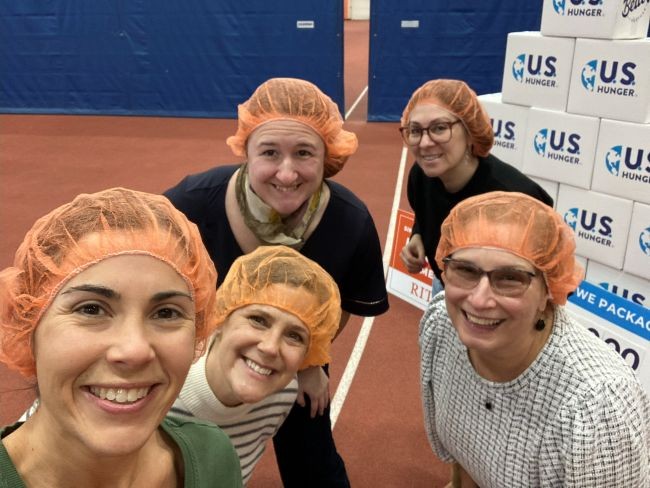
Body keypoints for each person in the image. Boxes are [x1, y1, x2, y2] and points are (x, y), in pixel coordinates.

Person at [165, 77, 389, 487]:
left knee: (313, 459)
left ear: (328, 158)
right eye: (270, 153)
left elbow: (339, 310)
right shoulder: (193, 203)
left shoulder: (349, 221)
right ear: (245, 152)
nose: (286, 174)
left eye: (304, 153)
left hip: (291, 359)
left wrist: (310, 361)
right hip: (197, 362)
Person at [0, 188, 243, 487]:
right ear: (25, 325)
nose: (135, 350)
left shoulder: (212, 457)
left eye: (166, 313)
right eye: (91, 309)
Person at [419, 191, 650, 487]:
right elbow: (463, 457)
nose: (478, 300)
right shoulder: (441, 326)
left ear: (547, 292)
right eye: (465, 270)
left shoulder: (595, 409)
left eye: (510, 278)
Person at [170, 245, 341, 485]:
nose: (270, 347)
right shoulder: (163, 388)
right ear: (220, 318)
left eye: (295, 336)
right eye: (258, 320)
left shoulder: (281, 396)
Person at [398, 79, 553, 284]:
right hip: (448, 283)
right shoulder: (421, 176)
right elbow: (426, 211)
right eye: (415, 131)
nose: (425, 142)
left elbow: (548, 275)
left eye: (440, 128)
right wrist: (418, 236)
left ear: (471, 132)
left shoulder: (515, 198)